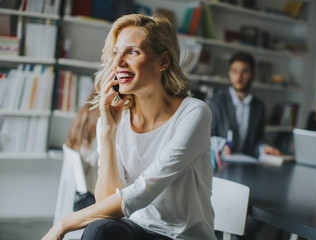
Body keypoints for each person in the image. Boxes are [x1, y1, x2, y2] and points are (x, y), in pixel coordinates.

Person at [42, 14, 215, 240]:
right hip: (138, 229)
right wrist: (107, 133)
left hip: (181, 237)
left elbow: (143, 190)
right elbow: (105, 205)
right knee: (98, 229)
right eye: (116, 52)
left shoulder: (193, 113)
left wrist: (64, 223)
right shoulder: (116, 117)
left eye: (132, 52)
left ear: (163, 61)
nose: (118, 62)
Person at [207, 51, 280, 158]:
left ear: (253, 75)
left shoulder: (258, 106)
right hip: (221, 162)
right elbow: (206, 137)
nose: (239, 77)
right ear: (229, 73)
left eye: (244, 72)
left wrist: (264, 148)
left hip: (248, 165)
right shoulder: (214, 102)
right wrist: (222, 145)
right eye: (235, 71)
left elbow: (258, 140)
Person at [66, 89, 100, 210]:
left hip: (80, 193)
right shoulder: (100, 121)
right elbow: (96, 159)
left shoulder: (82, 116)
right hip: (92, 196)